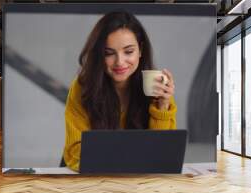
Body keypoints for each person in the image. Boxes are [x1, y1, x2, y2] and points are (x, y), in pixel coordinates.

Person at [62, 11, 177, 172]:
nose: (120, 62)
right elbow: (75, 152)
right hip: (92, 178)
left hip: (138, 180)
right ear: (99, 55)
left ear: (141, 50)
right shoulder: (83, 87)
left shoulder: (157, 87)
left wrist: (162, 107)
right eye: (109, 53)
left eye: (128, 51)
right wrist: (127, 163)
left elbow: (162, 155)